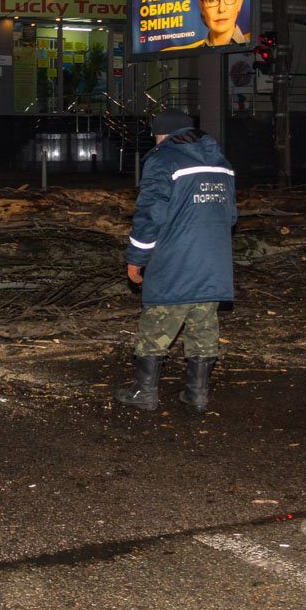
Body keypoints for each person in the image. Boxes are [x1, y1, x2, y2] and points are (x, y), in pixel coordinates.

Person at [114, 108, 237, 413]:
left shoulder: (163, 159)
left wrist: (136, 257)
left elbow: (151, 215)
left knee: (157, 326)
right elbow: (231, 215)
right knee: (203, 325)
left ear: (162, 134)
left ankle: (145, 392)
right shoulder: (221, 162)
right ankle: (197, 395)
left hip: (175, 259)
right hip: (213, 260)